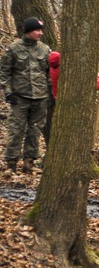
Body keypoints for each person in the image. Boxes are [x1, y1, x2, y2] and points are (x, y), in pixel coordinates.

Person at [0, 17, 51, 174]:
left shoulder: (44, 49)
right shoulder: (13, 49)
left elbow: (50, 72)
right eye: (37, 30)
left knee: (34, 130)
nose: (40, 33)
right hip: (19, 97)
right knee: (16, 130)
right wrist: (8, 92)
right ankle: (11, 164)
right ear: (28, 31)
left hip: (40, 97)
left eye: (41, 30)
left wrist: (50, 92)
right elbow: (4, 72)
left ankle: (29, 162)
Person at [43, 51, 99, 145]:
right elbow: (89, 86)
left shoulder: (52, 68)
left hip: (57, 102)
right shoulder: (66, 72)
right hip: (70, 105)